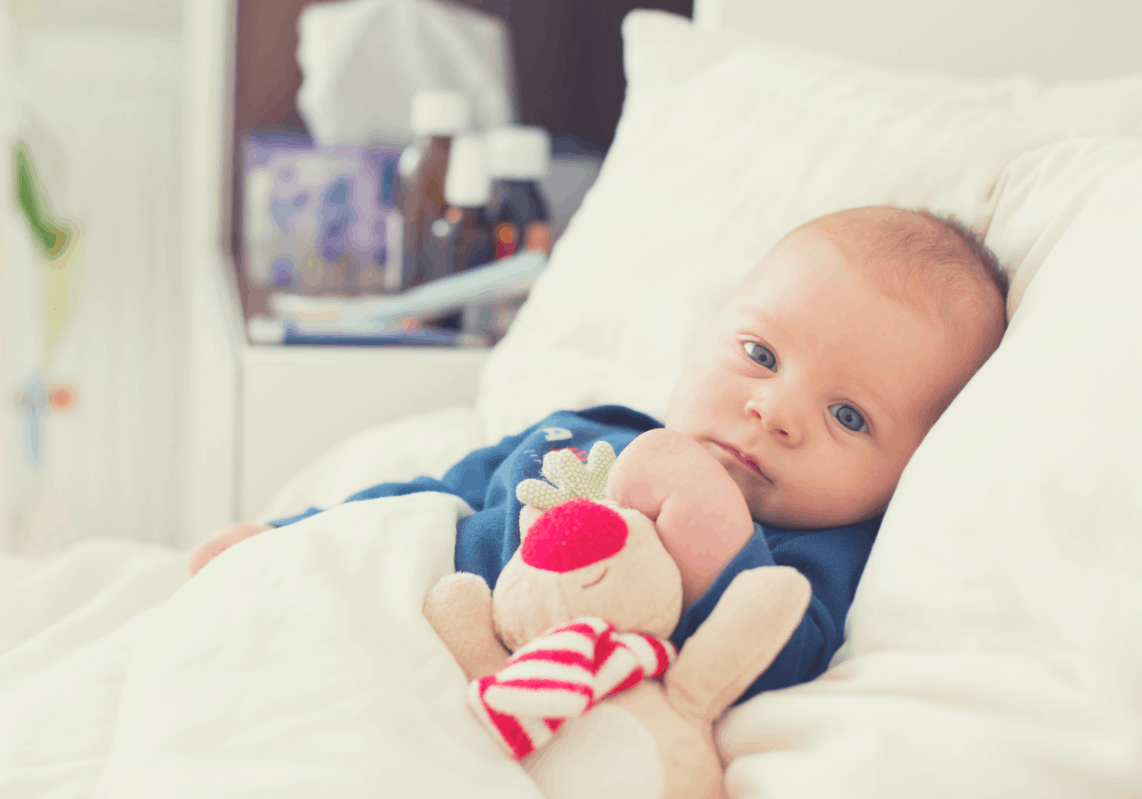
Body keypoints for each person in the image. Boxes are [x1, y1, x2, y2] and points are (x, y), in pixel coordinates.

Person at [188, 206, 1009, 702]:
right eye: (759, 354)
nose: (774, 410)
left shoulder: (815, 558)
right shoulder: (584, 431)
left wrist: (710, 518)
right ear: (703, 339)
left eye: (847, 414)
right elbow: (429, 497)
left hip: (501, 705)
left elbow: (776, 663)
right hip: (397, 623)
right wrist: (293, 534)